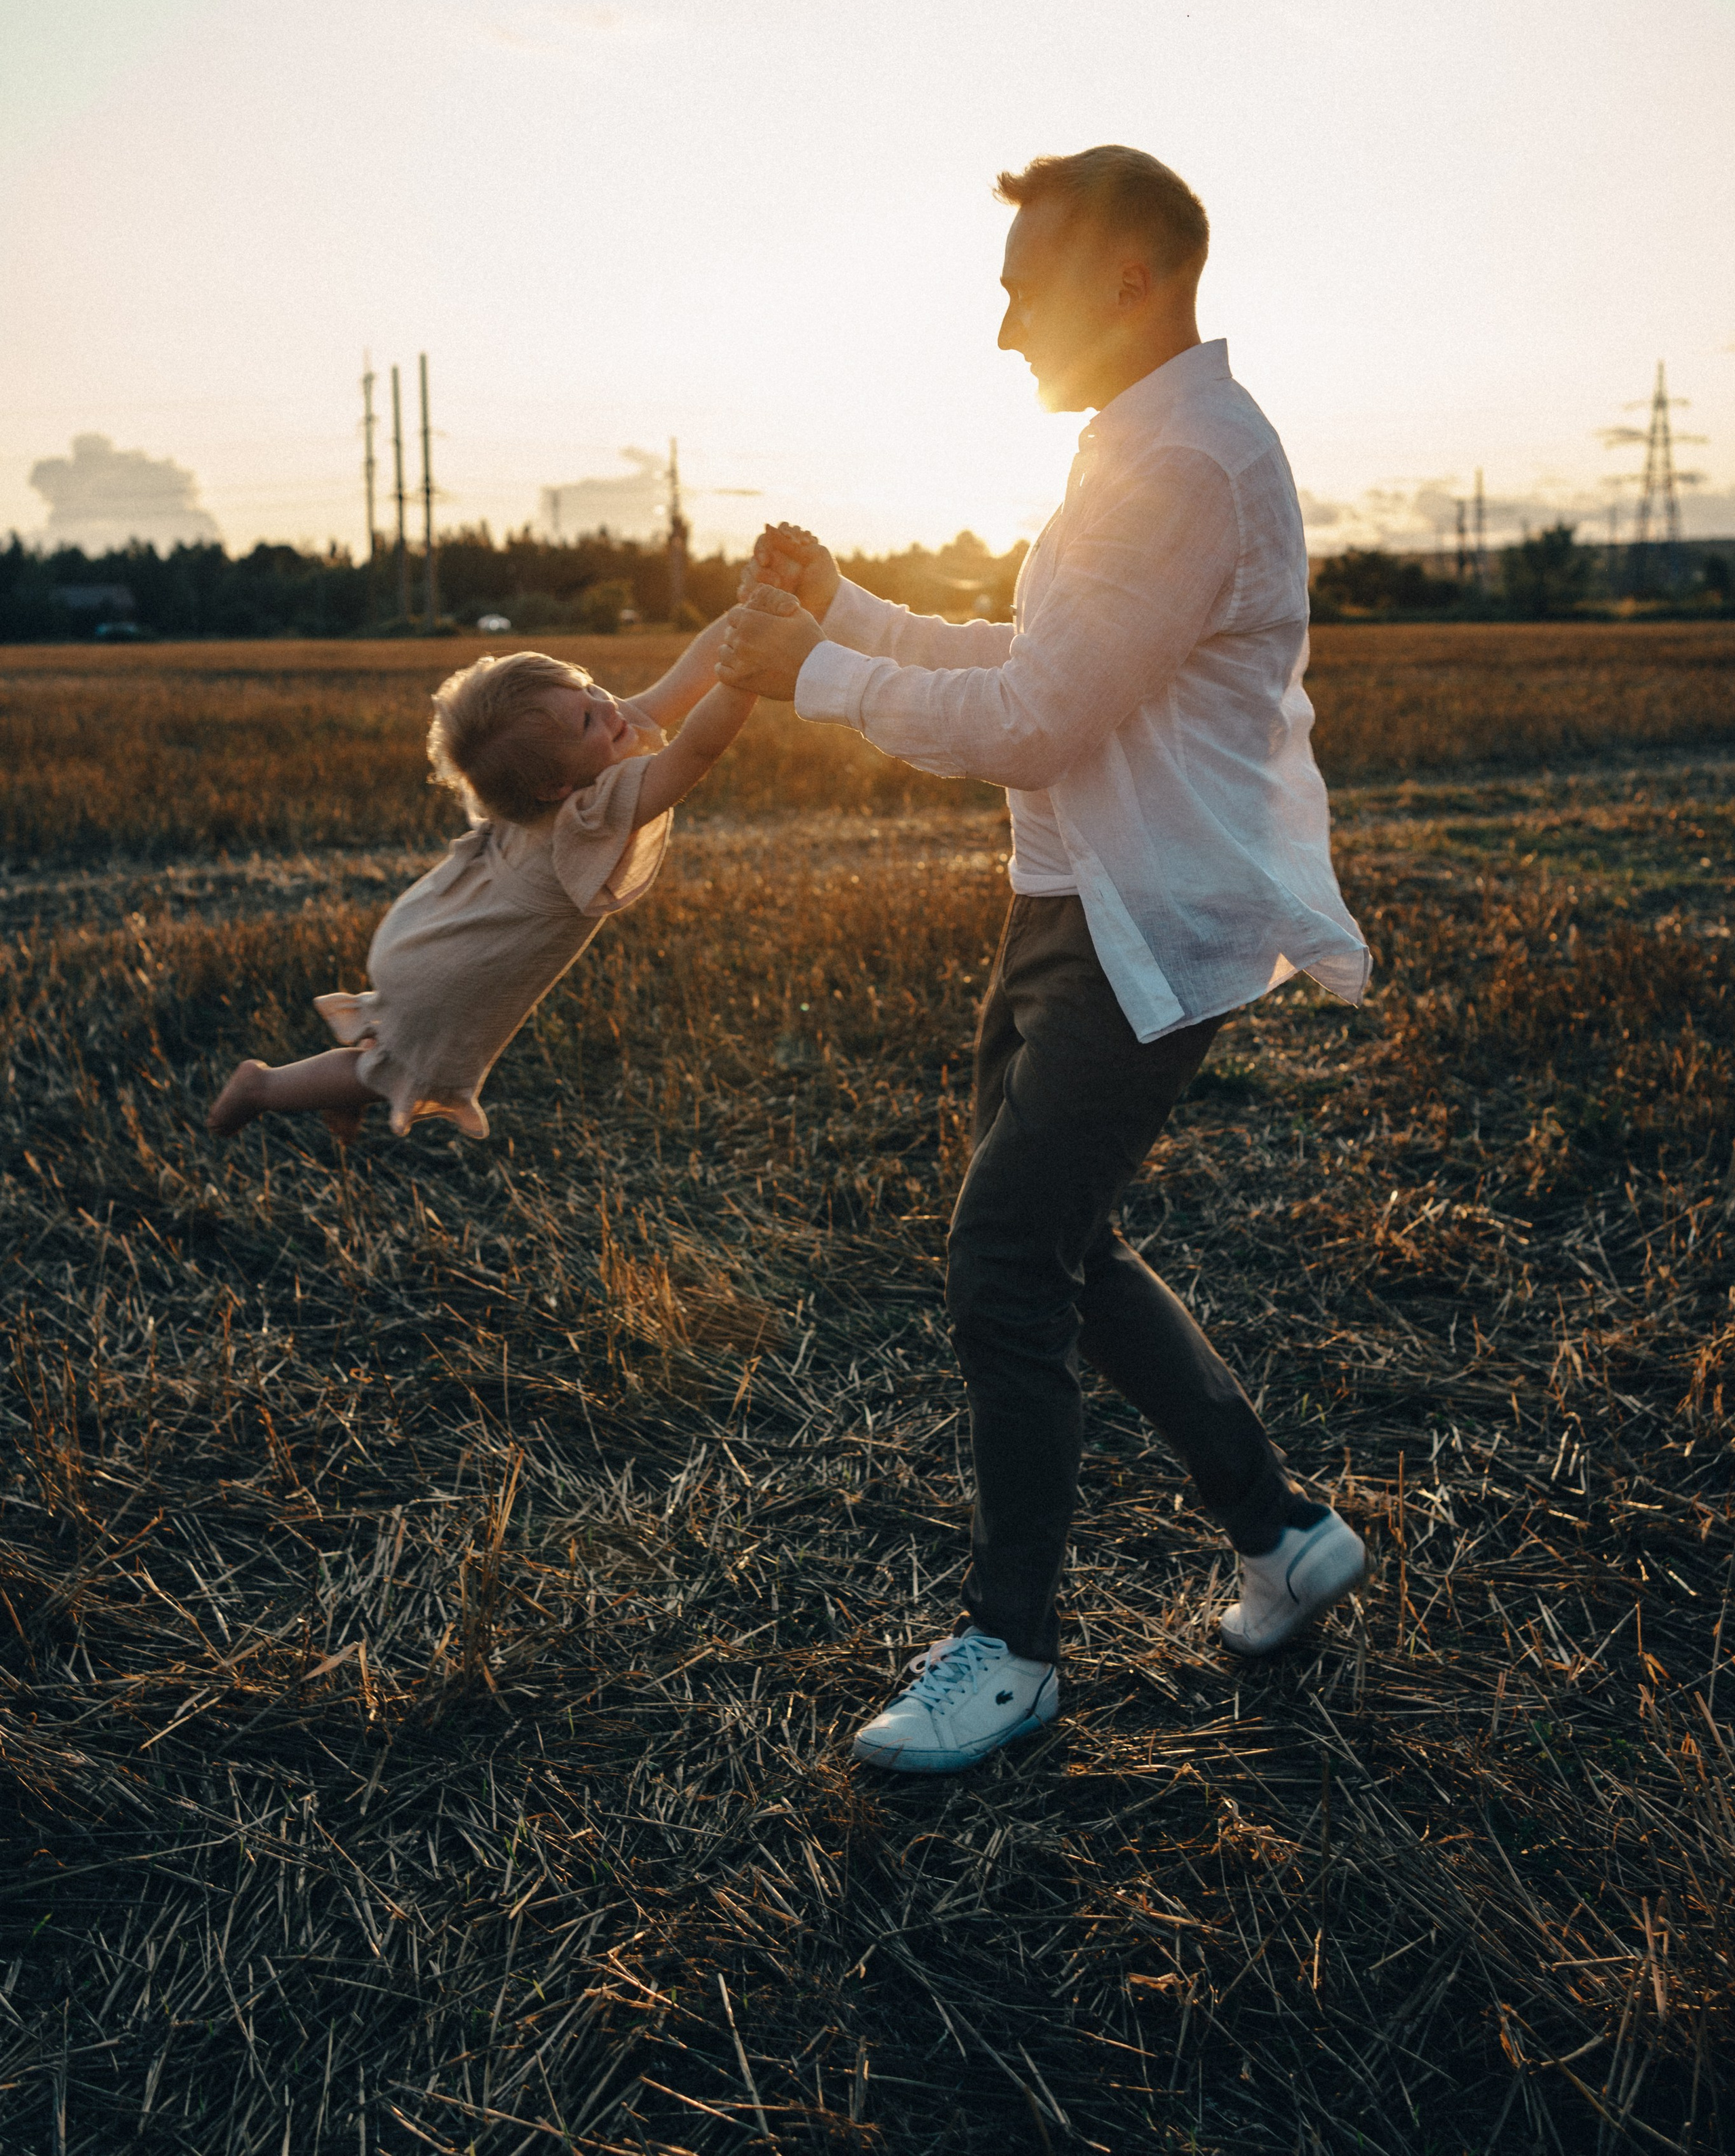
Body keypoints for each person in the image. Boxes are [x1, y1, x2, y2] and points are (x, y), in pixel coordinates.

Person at [720, 145, 1371, 1775]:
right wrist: (851, 612)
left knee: (1005, 1258)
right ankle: (1275, 1528)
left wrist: (814, 676)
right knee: (1058, 1251)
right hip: (1071, 901)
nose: (1002, 324)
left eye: (1024, 285)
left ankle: (1009, 1648)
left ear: (1132, 280)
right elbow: (1034, 662)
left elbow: (1031, 719)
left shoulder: (1186, 463)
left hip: (1139, 918)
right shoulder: (1136, 450)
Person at [207, 598, 792, 1144]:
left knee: (386, 1045)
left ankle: (334, 1095)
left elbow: (680, 681)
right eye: (587, 717)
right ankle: (263, 1088)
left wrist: (752, 612)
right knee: (392, 1066)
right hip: (451, 975)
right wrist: (745, 679)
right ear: (555, 785)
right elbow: (695, 751)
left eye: (591, 689)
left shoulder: (578, 756)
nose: (609, 707)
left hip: (430, 932)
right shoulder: (589, 815)